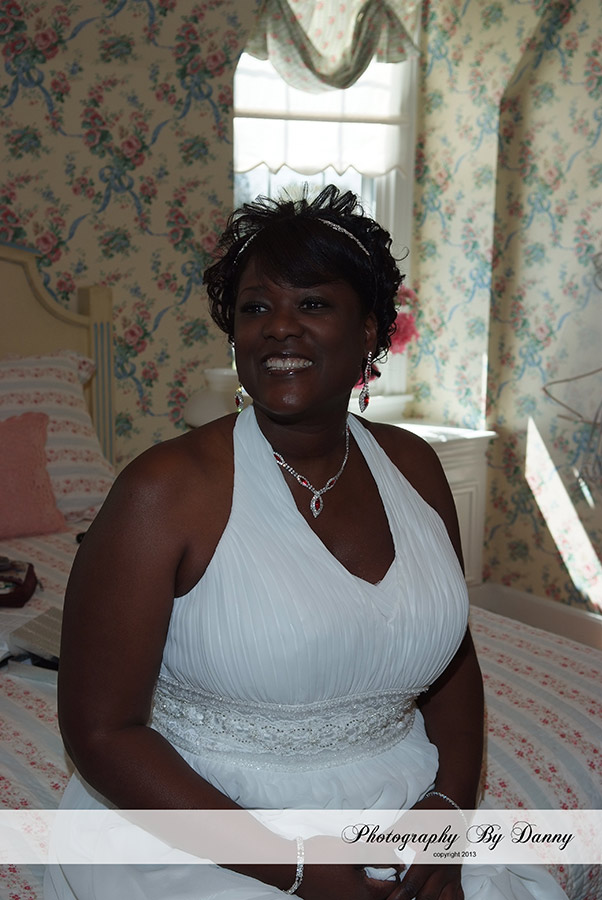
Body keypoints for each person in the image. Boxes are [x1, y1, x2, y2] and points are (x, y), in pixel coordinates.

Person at [45, 186, 568, 900]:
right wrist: (293, 867)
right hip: (201, 820)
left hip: (402, 799)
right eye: (256, 308)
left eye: (313, 304)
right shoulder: (161, 492)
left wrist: (447, 812)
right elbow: (102, 732)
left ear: (370, 330)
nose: (279, 328)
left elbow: (454, 662)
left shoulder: (414, 467)